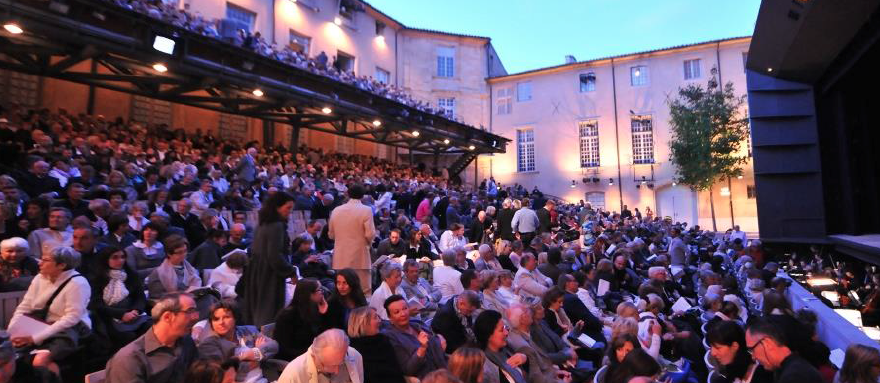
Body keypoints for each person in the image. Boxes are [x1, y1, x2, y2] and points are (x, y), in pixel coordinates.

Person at [7, 246, 90, 377]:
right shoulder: (39, 278)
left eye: (45, 260)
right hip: (41, 323)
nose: (39, 262)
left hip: (68, 328)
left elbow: (72, 318)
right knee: (8, 352)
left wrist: (35, 338)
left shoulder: (78, 283)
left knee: (40, 361)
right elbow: (25, 306)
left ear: (61, 265)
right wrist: (12, 331)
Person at [105, 292, 200, 383]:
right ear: (167, 317)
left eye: (195, 311)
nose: (196, 317)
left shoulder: (185, 341)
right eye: (189, 311)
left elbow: (198, 372)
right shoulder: (129, 360)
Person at [239, 191, 299, 327]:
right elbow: (275, 255)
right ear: (277, 207)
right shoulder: (277, 226)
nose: (290, 212)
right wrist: (291, 271)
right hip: (269, 272)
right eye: (288, 208)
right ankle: (266, 342)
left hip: (257, 270)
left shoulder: (263, 224)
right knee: (268, 310)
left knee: (258, 307)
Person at [473, 309, 569, 383]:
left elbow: (530, 378)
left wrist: (526, 360)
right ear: (488, 335)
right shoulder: (487, 366)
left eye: (506, 328)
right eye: (501, 330)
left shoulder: (506, 349)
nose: (506, 333)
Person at [87, 246, 151, 354]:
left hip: (133, 313)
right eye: (115, 258)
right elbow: (96, 305)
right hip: (109, 316)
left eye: (122, 257)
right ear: (106, 259)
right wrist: (122, 314)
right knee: (128, 337)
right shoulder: (97, 278)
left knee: (150, 326)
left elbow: (140, 297)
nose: (120, 260)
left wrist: (135, 311)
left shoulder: (131, 275)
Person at [197, 300, 280, 383]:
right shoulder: (209, 344)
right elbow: (224, 371)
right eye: (216, 319)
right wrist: (258, 358)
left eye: (226, 317)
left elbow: (273, 345)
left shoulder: (248, 330)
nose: (221, 322)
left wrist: (254, 352)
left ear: (235, 318)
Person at [146, 234, 218, 318]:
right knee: (206, 301)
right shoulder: (158, 273)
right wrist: (181, 294)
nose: (184, 254)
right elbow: (156, 297)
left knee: (209, 298)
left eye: (185, 251)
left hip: (192, 299)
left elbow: (195, 283)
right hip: (174, 304)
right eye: (179, 252)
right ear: (169, 254)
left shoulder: (189, 268)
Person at [273, 278, 345, 361]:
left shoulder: (314, 309)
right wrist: (312, 354)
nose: (322, 292)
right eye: (319, 289)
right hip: (295, 359)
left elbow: (325, 335)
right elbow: (284, 347)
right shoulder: (288, 315)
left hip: (313, 354)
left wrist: (324, 313)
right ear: (309, 294)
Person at [382, 294, 448, 379]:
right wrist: (422, 349)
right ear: (390, 318)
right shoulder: (391, 337)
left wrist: (439, 337)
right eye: (397, 312)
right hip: (426, 378)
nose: (403, 314)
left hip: (443, 370)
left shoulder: (417, 324)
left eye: (405, 308)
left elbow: (436, 343)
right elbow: (408, 370)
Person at [328, 184, 376, 297]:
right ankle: (363, 315)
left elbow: (331, 234)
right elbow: (370, 234)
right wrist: (368, 245)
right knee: (364, 292)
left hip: (341, 257)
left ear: (348, 194)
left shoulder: (336, 210)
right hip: (360, 256)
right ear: (363, 195)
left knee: (343, 292)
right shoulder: (366, 210)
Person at [745, 318, 823, 383]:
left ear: (767, 343)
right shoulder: (788, 369)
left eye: (752, 349)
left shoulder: (795, 377)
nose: (753, 357)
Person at [277, 329, 364, 383]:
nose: (337, 371)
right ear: (314, 356)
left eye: (341, 362)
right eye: (331, 365)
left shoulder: (355, 356)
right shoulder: (293, 374)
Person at [347, 306, 407, 383]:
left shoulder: (383, 339)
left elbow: (396, 370)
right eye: (375, 318)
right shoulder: (353, 351)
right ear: (364, 323)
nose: (379, 321)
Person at [706, 321, 772, 383]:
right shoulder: (729, 373)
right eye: (711, 347)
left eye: (718, 348)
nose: (712, 353)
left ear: (734, 346)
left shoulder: (763, 377)